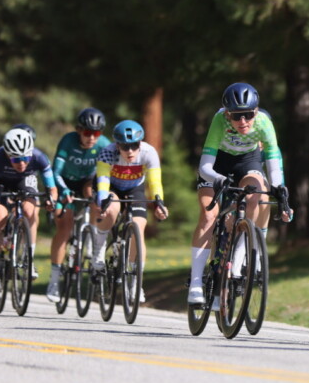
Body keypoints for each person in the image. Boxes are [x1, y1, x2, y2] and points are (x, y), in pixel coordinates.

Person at [187, 83, 291, 305]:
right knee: (208, 215)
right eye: (236, 116)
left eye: (248, 115)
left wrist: (279, 188)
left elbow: (273, 162)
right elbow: (205, 166)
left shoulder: (264, 123)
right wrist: (219, 180)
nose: (242, 121)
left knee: (256, 196)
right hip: (218, 164)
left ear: (256, 111)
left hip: (247, 161)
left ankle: (239, 256)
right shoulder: (219, 120)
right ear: (227, 114)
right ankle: (195, 281)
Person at [92, 120, 169, 304]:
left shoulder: (149, 152)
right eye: (125, 146)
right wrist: (103, 202)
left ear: (140, 143)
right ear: (117, 145)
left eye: (134, 145)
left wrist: (159, 204)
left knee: (138, 228)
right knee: (112, 209)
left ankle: (135, 281)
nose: (130, 151)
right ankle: (99, 249)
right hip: (111, 188)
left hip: (135, 189)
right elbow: (103, 181)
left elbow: (155, 182)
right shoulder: (108, 153)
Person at [46, 108, 111, 303]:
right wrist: (64, 191)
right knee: (64, 229)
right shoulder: (68, 141)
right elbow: (55, 172)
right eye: (88, 133)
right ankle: (54, 280)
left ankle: (92, 237)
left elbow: (107, 174)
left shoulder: (104, 144)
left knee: (95, 195)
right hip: (64, 182)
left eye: (96, 133)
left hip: (86, 182)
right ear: (79, 130)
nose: (92, 138)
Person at [0, 127, 58, 281]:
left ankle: (29, 258)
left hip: (25, 181)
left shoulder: (39, 157)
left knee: (30, 211)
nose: (22, 163)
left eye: (25, 158)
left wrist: (52, 200)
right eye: (16, 159)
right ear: (8, 154)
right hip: (2, 183)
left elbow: (52, 189)